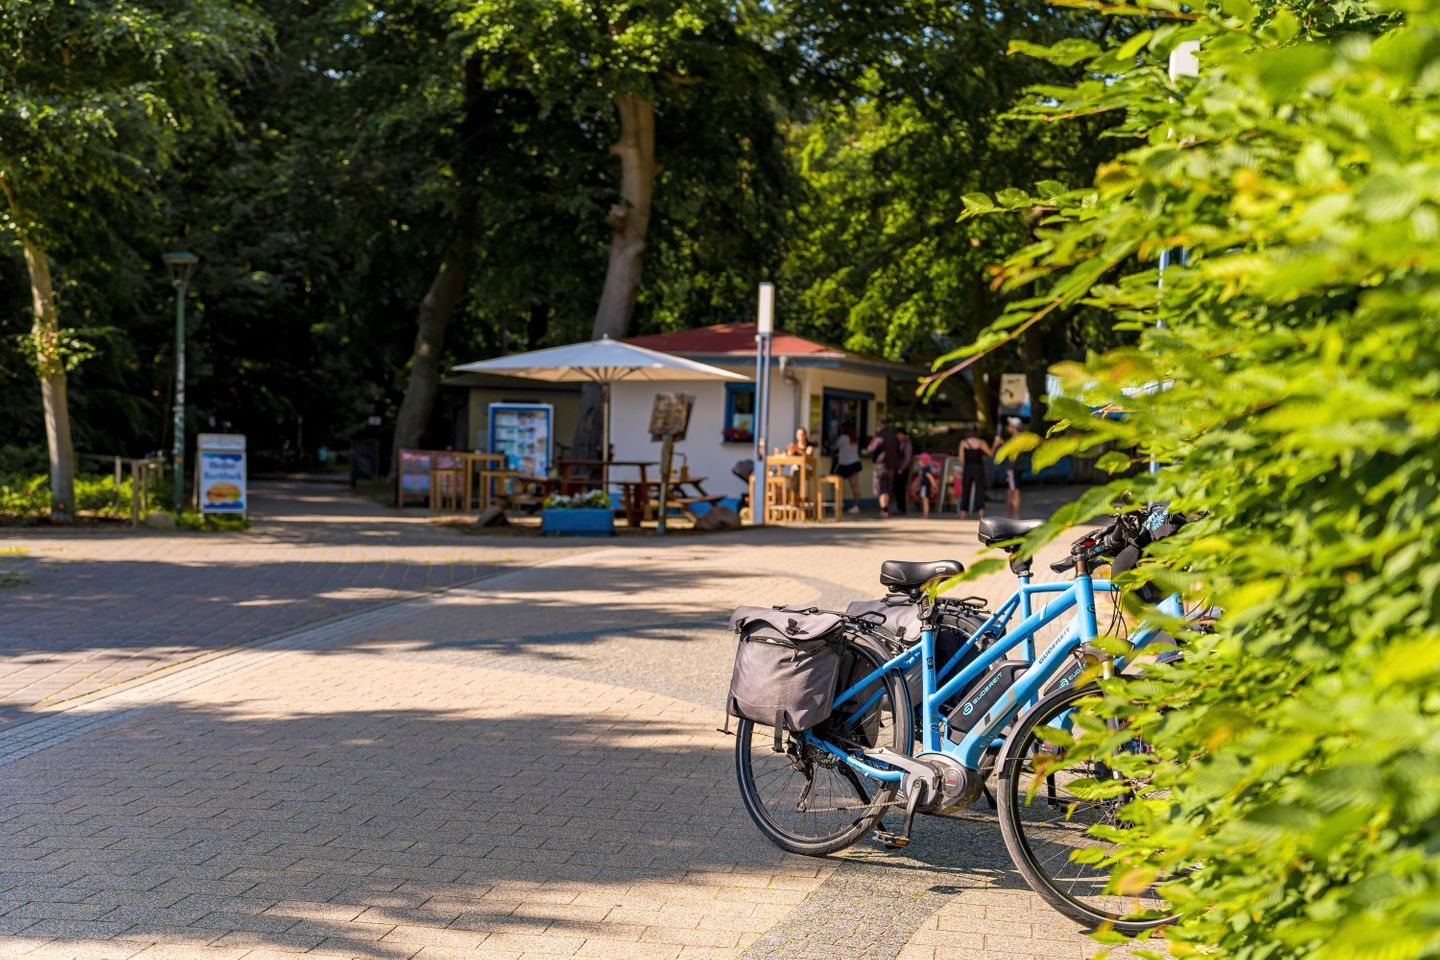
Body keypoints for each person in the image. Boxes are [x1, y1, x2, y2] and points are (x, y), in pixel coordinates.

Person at [864, 421, 903, 519]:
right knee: (888, 488)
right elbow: (899, 450)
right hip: (891, 466)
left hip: (881, 466)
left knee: (881, 488)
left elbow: (870, 449)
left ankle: (883, 510)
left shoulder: (879, 437)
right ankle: (886, 510)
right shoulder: (894, 437)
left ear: (879, 427)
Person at [956, 429, 993, 520]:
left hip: (967, 468)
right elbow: (990, 453)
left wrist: (959, 471)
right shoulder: (981, 442)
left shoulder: (963, 443)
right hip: (978, 468)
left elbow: (961, 459)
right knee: (980, 490)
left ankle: (963, 514)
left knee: (965, 490)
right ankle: (981, 514)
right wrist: (995, 444)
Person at [993, 419, 1022, 519]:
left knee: (1014, 491)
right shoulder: (1017, 438)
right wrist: (1004, 444)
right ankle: (1008, 514)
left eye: (1009, 425)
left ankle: (1015, 516)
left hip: (1013, 467)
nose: (1008, 427)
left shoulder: (1017, 438)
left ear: (1014, 427)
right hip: (1015, 467)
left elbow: (1013, 451)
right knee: (1011, 491)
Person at [831, 424, 862, 514]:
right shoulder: (854, 438)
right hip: (854, 463)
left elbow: (834, 447)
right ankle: (857, 506)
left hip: (845, 464)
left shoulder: (843, 437)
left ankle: (839, 504)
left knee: (837, 485)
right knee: (854, 487)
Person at [911, 452, 939, 520]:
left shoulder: (926, 469)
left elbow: (930, 476)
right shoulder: (923, 469)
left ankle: (925, 514)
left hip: (926, 486)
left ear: (924, 461)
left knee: (925, 500)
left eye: (920, 460)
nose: (918, 462)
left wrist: (934, 485)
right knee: (924, 500)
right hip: (924, 486)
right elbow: (920, 478)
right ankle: (925, 513)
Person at [893, 428, 914, 515]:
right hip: (896, 467)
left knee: (901, 488)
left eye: (899, 434)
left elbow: (907, 458)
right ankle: (899, 507)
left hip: (903, 469)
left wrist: (902, 468)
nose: (898, 436)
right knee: (896, 488)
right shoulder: (897, 443)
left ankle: (902, 508)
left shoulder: (907, 444)